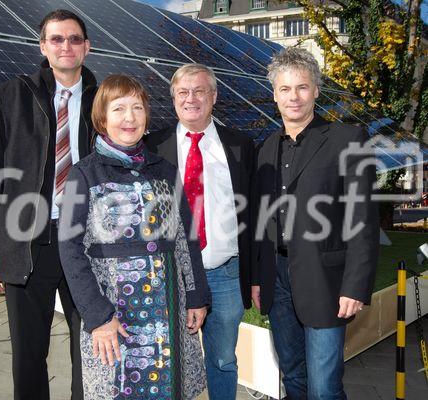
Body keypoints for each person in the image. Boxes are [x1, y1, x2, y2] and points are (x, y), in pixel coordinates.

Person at [0, 10, 97, 399]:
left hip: (86, 243)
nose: (66, 46)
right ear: (43, 47)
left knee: (89, 350)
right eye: (57, 39)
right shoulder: (11, 95)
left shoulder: (104, 99)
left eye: (74, 39)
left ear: (87, 47)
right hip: (25, 242)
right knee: (28, 353)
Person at [58, 74, 211, 399]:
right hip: (113, 315)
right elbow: (70, 250)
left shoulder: (165, 171)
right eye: (119, 109)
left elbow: (187, 237)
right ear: (102, 117)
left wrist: (196, 295)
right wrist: (98, 317)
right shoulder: (83, 174)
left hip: (167, 314)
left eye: (137, 108)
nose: (129, 118)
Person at [251, 47, 379, 399]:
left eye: (302, 87)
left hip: (326, 280)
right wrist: (259, 278)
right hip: (276, 277)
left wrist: (355, 285)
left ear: (316, 90)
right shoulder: (264, 149)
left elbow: (363, 219)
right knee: (293, 376)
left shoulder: (347, 140)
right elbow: (263, 220)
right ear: (275, 94)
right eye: (285, 89)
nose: (294, 97)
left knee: (324, 386)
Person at [145, 63, 256, 400]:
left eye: (199, 91)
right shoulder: (153, 146)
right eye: (183, 92)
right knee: (166, 357)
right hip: (171, 275)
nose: (191, 98)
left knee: (222, 359)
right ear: (174, 98)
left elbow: (255, 212)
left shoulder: (240, 146)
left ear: (214, 96)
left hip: (225, 272)